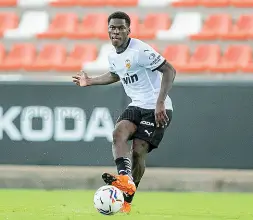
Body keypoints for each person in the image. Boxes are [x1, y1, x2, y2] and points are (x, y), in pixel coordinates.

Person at [72, 11, 176, 214]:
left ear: (129, 30)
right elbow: (115, 73)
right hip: (136, 105)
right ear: (108, 30)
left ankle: (128, 197)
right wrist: (91, 80)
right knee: (118, 133)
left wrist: (160, 102)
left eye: (121, 27)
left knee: (138, 152)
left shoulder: (140, 51)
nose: (116, 31)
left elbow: (170, 70)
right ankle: (124, 179)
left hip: (157, 108)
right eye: (112, 27)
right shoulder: (113, 55)